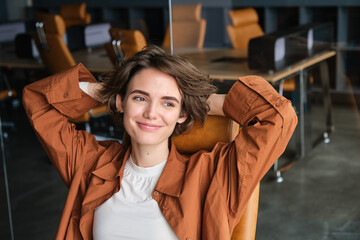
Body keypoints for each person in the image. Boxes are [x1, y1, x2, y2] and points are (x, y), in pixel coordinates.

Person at [23, 45, 297, 240]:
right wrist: (108, 92)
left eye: (167, 103)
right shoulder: (91, 164)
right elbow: (38, 100)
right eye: (140, 98)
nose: (151, 113)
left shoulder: (212, 175)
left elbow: (278, 116)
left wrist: (196, 103)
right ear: (121, 103)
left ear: (182, 114)